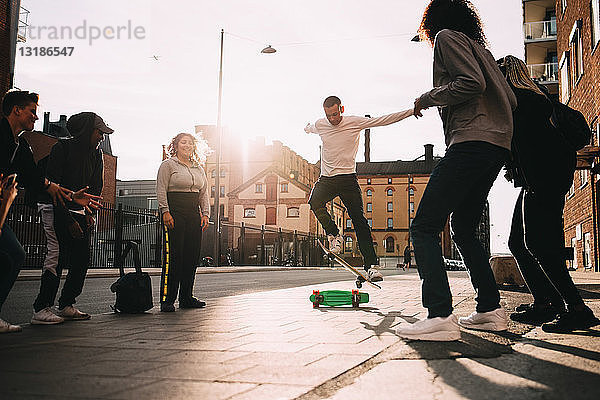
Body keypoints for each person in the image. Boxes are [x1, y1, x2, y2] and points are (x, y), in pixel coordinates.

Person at [395, 0, 517, 341]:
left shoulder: (447, 38)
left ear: (431, 22)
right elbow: (511, 99)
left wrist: (429, 96)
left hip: (471, 141)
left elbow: (470, 83)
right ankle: (491, 311)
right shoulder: (482, 50)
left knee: (423, 227)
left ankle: (439, 316)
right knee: (462, 228)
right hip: (496, 146)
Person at [499, 55, 600, 333]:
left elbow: (530, 148)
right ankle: (545, 302)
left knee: (540, 245)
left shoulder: (525, 102)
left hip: (544, 180)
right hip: (542, 179)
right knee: (518, 242)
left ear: (505, 76)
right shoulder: (535, 98)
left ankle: (576, 308)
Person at [304, 96, 413, 282]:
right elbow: (310, 127)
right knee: (314, 202)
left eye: (335, 114)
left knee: (359, 220)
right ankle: (334, 234)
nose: (332, 119)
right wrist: (307, 127)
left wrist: (412, 110)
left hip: (348, 179)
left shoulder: (354, 122)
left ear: (342, 109)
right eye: (328, 115)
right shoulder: (321, 124)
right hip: (327, 179)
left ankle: (371, 266)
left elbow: (383, 120)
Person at [0, 90, 73, 333]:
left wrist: (68, 194)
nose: (35, 116)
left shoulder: (21, 146)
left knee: (15, 255)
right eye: (32, 111)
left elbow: (34, 178)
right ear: (17, 110)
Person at [31, 112, 109, 324]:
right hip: (53, 207)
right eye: (98, 131)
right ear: (85, 131)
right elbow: (53, 189)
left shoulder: (97, 154)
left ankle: (66, 304)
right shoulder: (62, 148)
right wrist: (68, 220)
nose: (101, 136)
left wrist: (89, 213)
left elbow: (95, 189)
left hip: (80, 209)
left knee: (82, 259)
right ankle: (42, 308)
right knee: (56, 256)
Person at [157, 133, 210, 312]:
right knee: (174, 256)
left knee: (191, 256)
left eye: (190, 143)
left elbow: (204, 193)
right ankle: (167, 299)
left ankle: (186, 297)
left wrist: (206, 214)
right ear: (176, 145)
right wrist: (165, 211)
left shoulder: (198, 168)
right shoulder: (168, 165)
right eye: (183, 142)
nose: (187, 145)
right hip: (175, 212)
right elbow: (161, 189)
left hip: (193, 214)